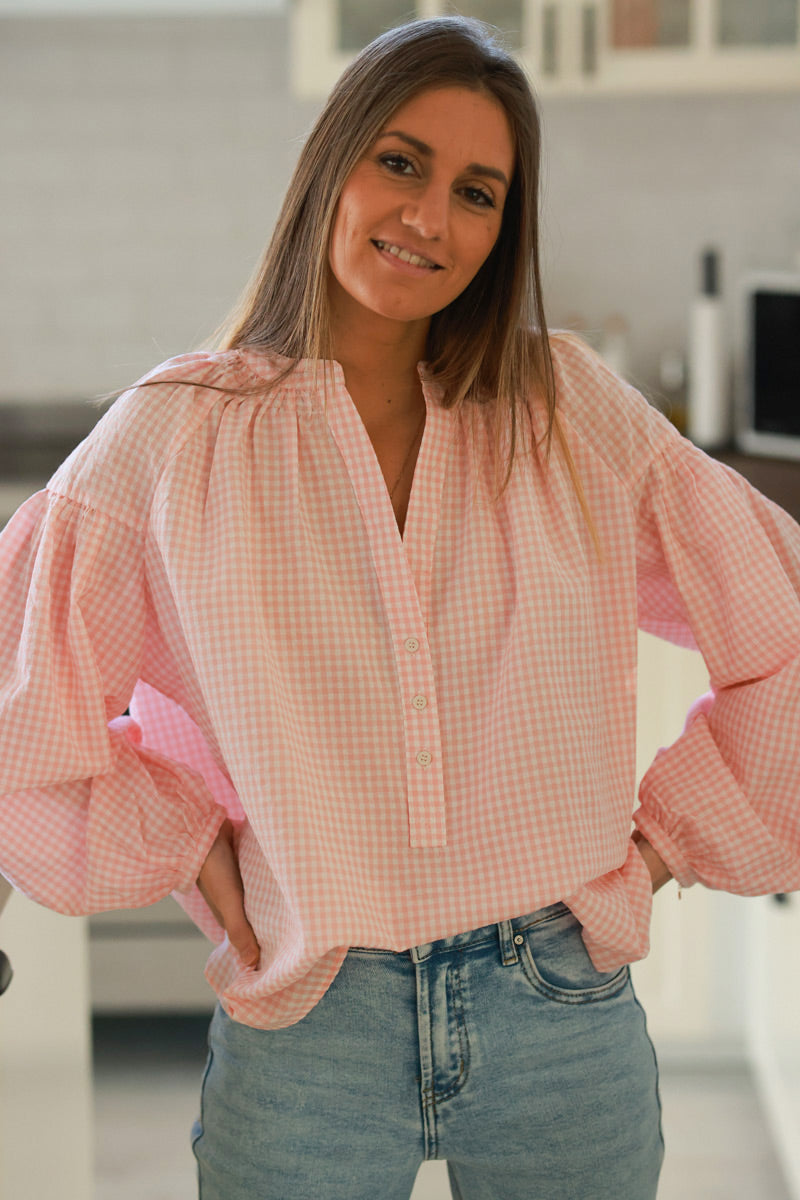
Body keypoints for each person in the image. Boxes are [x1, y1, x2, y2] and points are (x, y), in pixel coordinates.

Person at [1, 15, 799, 1200]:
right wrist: (186, 843)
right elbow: (20, 713)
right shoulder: (173, 437)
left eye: (477, 192)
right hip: (308, 1016)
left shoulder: (568, 411)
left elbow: (779, 623)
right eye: (400, 161)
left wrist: (668, 838)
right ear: (332, 163)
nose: (431, 217)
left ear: (502, 229)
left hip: (559, 1005)